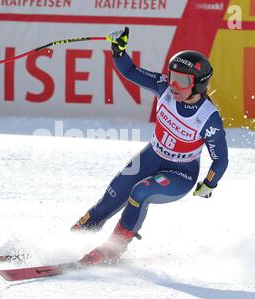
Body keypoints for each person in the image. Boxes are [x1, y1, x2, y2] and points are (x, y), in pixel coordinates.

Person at [71, 27, 229, 266]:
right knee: (110, 199)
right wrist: (119, 51)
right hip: (151, 157)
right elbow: (130, 70)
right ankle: (69, 241)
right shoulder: (163, 87)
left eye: (182, 80)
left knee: (139, 192)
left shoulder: (208, 118)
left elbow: (220, 159)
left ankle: (113, 249)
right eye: (172, 76)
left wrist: (208, 184)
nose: (173, 84)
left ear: (198, 84)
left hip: (180, 173)